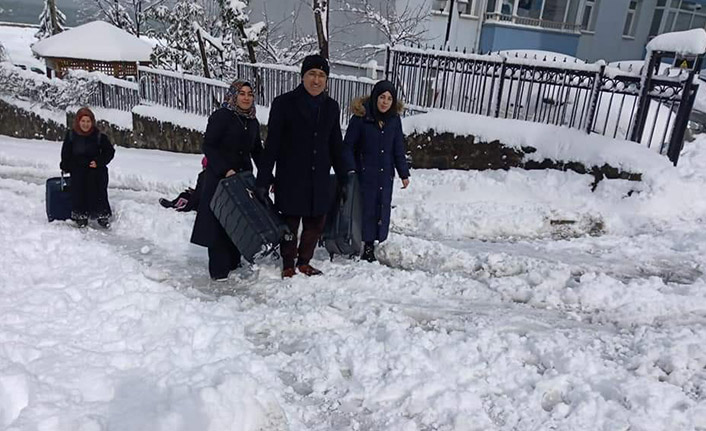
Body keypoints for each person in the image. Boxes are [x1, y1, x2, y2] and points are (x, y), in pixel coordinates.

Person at [255, 54, 352, 279]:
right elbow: (272, 146)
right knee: (289, 224)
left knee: (316, 223)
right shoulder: (284, 104)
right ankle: (288, 263)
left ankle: (304, 261)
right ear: (302, 77)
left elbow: (336, 144)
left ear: (326, 80)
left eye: (321, 76)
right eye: (312, 74)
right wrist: (263, 180)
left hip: (319, 177)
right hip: (291, 177)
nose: (316, 80)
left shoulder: (331, 107)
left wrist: (343, 178)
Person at [190, 81, 263, 281]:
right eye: (242, 93)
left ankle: (234, 261)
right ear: (233, 95)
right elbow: (209, 146)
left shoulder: (252, 121)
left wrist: (266, 174)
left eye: (250, 94)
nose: (246, 97)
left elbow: (256, 150)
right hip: (219, 178)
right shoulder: (221, 117)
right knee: (219, 222)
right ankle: (219, 270)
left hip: (242, 179)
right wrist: (225, 169)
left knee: (237, 220)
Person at [343, 80, 410, 262]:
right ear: (375, 97)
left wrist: (403, 173)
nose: (385, 102)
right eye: (382, 97)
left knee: (381, 208)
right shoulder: (361, 117)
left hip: (385, 173)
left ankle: (373, 241)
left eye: (389, 98)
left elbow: (398, 148)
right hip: (364, 173)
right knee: (366, 209)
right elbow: (348, 146)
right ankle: (366, 245)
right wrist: (351, 169)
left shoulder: (394, 120)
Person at [60, 107, 115, 228]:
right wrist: (66, 165)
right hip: (78, 170)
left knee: (99, 193)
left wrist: (99, 162)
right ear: (78, 121)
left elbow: (109, 152)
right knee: (79, 193)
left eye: (88, 121)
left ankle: (102, 215)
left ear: (92, 122)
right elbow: (66, 153)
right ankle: (80, 216)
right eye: (83, 121)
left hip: (96, 170)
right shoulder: (71, 135)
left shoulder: (99, 136)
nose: (85, 124)